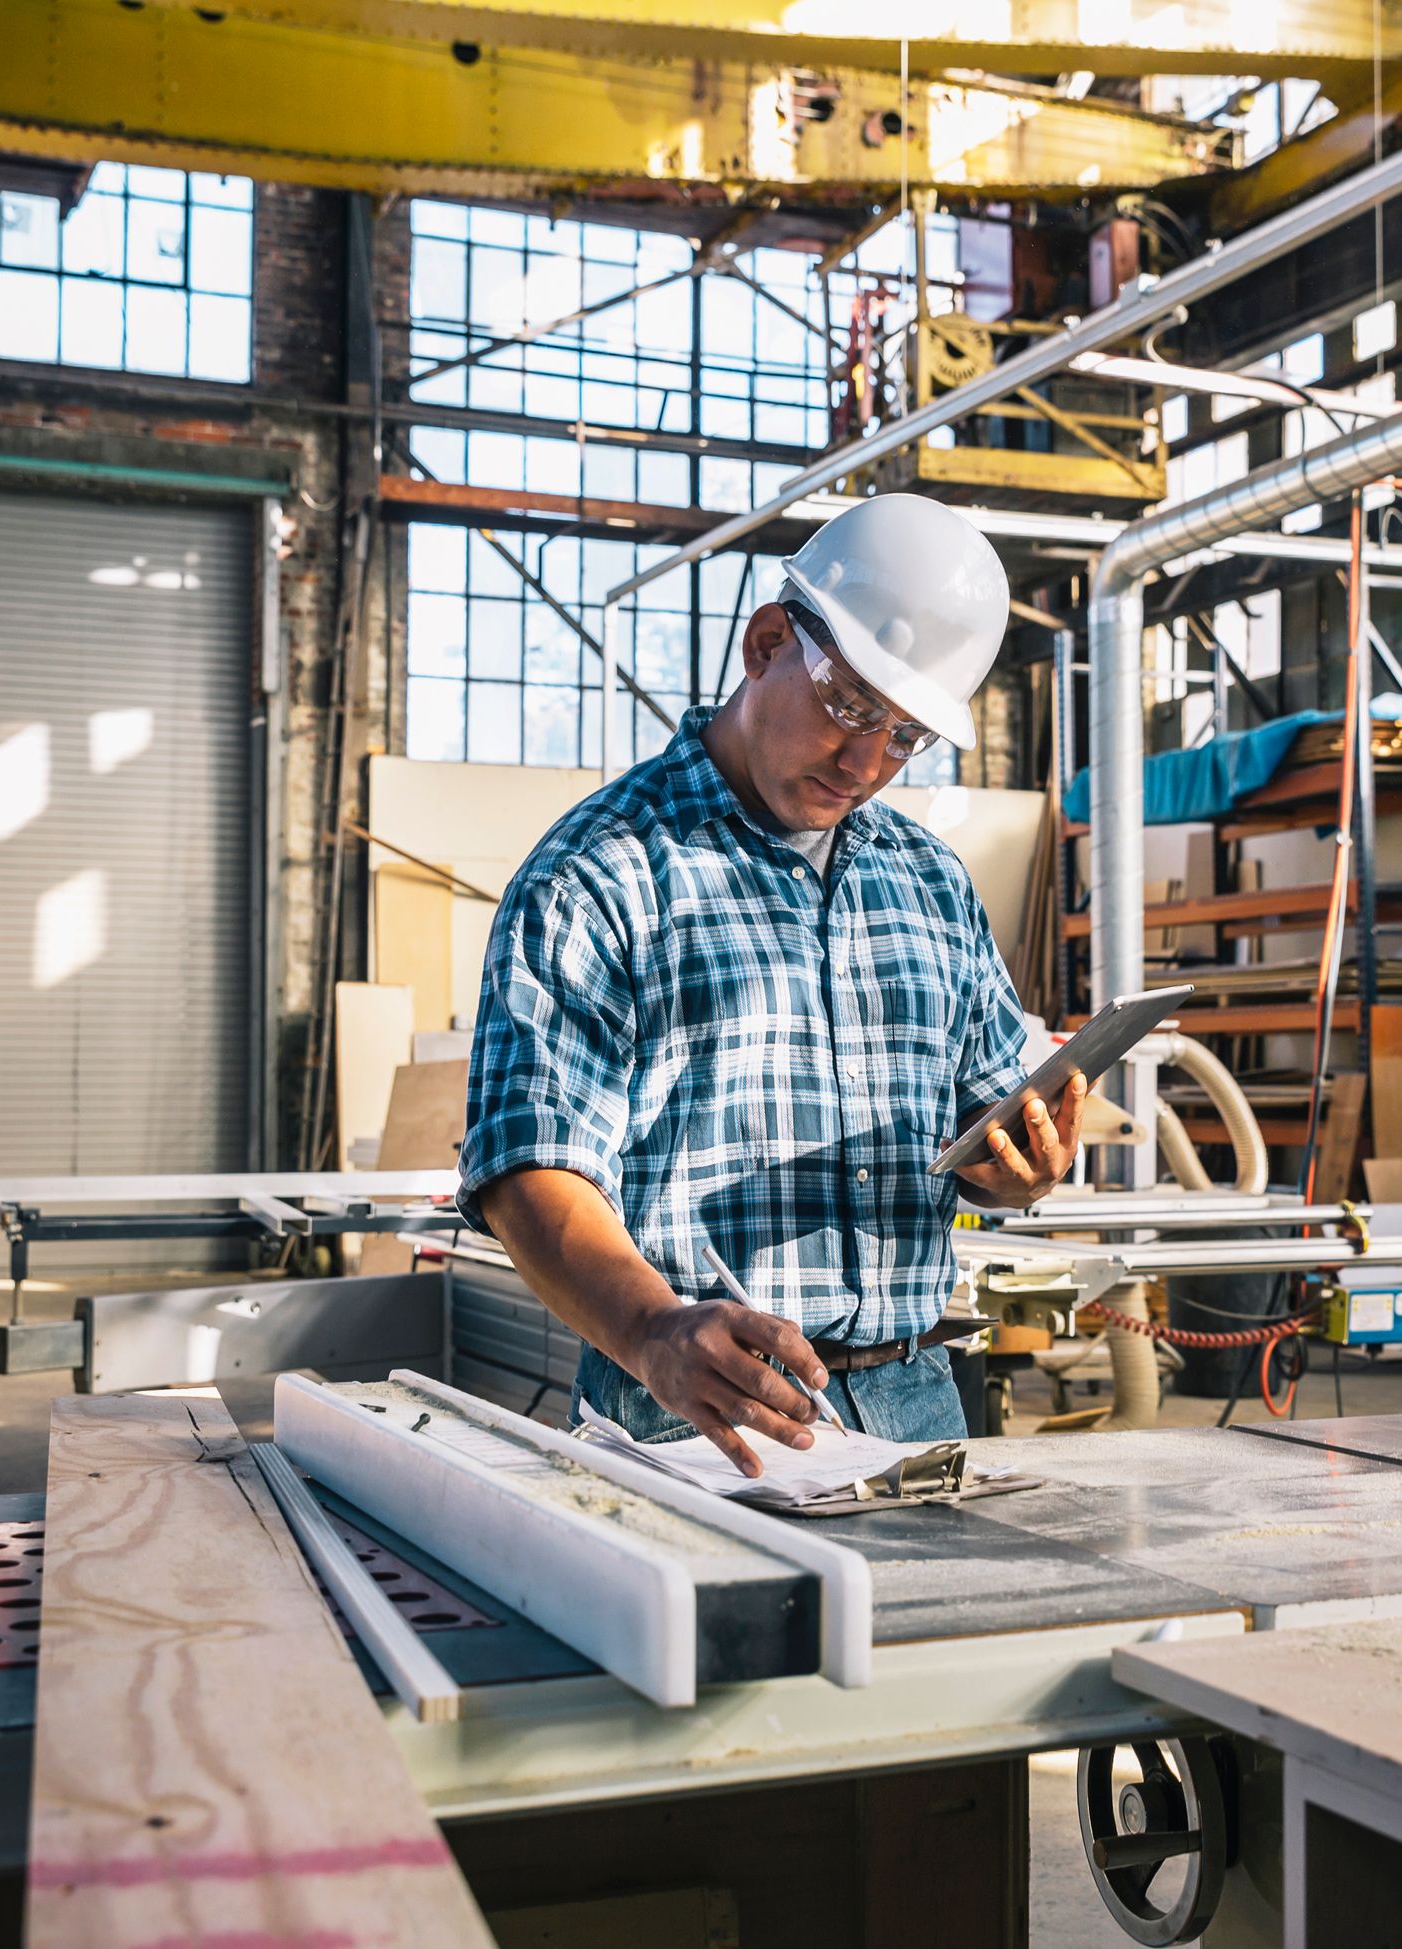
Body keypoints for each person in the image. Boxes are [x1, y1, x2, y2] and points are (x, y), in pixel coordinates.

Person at [457, 495, 1084, 1476]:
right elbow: (527, 1165)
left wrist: (1017, 1170)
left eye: (906, 735)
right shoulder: (599, 876)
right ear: (766, 643)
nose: (867, 763)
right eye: (851, 706)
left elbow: (984, 1119)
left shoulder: (927, 882)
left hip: (915, 1396)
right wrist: (652, 1328)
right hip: (694, 1410)